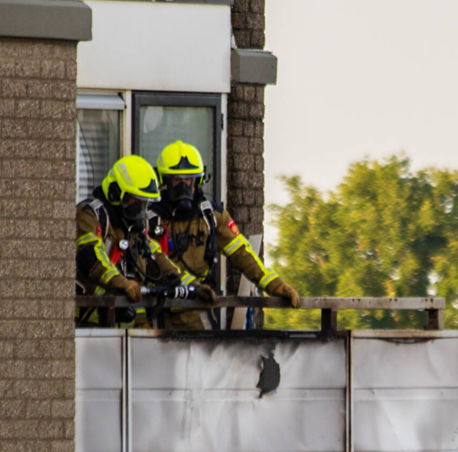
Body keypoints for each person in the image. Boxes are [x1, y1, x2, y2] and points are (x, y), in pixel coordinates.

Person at [148, 140, 300, 330]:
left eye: (189, 179)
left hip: (198, 311)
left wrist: (274, 284)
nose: (184, 186)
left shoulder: (211, 217)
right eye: (178, 180)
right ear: (164, 180)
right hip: (158, 312)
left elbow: (242, 253)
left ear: (198, 181)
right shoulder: (150, 220)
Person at [75, 154, 213, 326]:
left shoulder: (132, 227)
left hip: (129, 328)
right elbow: (91, 259)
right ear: (115, 193)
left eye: (144, 203)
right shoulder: (90, 216)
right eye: (136, 200)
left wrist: (194, 286)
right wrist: (121, 283)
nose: (140, 210)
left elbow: (158, 260)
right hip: (88, 327)